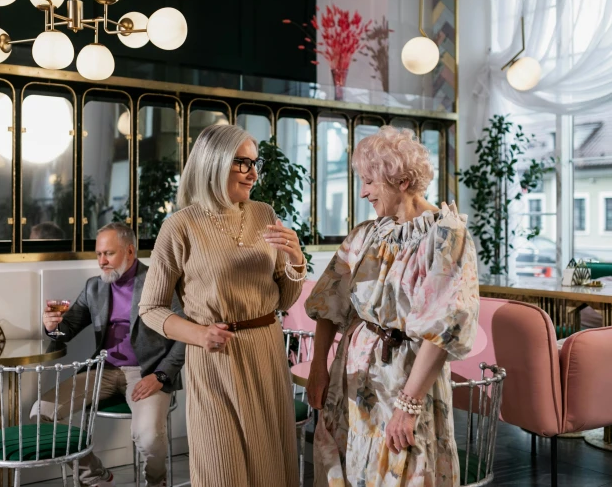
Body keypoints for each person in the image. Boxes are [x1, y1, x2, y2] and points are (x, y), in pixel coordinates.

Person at [304, 126, 480, 487]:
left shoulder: (446, 236)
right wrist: (318, 368)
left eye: (370, 181)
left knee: (404, 469)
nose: (364, 191)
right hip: (351, 377)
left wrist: (408, 405)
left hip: (407, 379)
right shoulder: (365, 234)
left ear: (400, 180)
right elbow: (328, 303)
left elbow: (443, 328)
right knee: (346, 468)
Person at [138, 124, 307, 487]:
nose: (253, 171)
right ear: (214, 162)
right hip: (215, 359)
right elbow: (150, 308)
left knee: (272, 467)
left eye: (254, 162)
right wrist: (199, 334)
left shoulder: (264, 213)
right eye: (242, 162)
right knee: (221, 469)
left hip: (266, 350)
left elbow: (285, 299)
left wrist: (295, 259)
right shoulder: (180, 226)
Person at [35, 222, 185, 487]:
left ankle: (156, 481)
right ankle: (94, 474)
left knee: (149, 437)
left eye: (109, 254)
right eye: (98, 254)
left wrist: (161, 375)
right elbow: (67, 330)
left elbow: (185, 333)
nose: (102, 261)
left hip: (147, 371)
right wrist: (52, 328)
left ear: (129, 251)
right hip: (103, 369)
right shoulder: (94, 287)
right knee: (40, 413)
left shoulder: (157, 282)